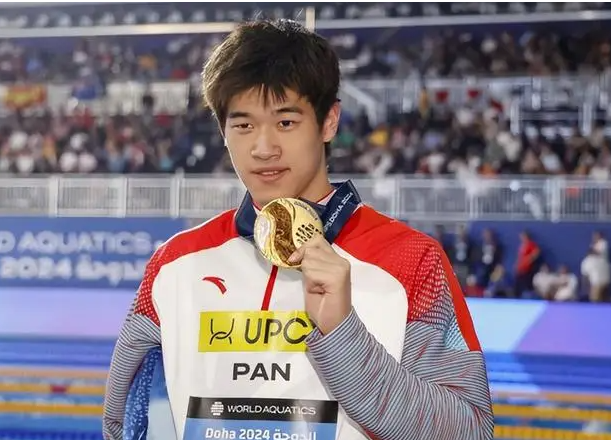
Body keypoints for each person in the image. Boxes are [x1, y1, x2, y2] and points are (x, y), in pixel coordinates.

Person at [103, 19, 494, 440]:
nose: (263, 148)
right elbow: (126, 422)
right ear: (222, 131)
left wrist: (343, 336)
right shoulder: (174, 264)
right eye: (243, 125)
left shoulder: (411, 260)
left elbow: (470, 431)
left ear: (329, 122)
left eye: (286, 123)